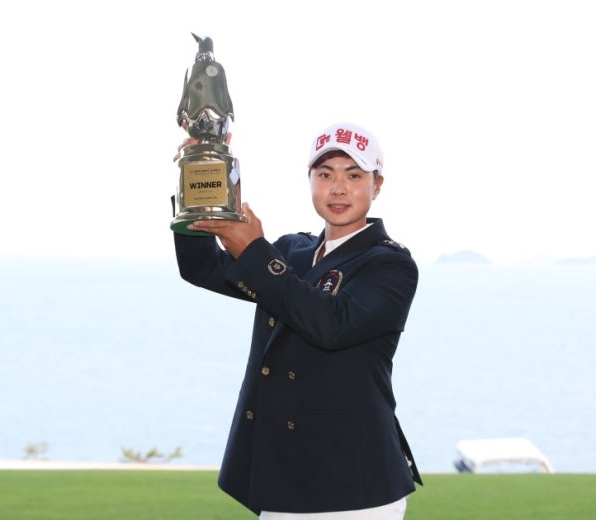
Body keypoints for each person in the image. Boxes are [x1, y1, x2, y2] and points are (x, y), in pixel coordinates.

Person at [173, 122, 422, 519]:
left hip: (354, 487)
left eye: (354, 175)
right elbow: (202, 268)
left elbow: (330, 324)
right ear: (310, 182)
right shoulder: (293, 251)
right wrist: (201, 185)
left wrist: (253, 249)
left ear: (377, 185)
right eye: (325, 175)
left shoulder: (390, 263)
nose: (338, 188)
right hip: (284, 480)